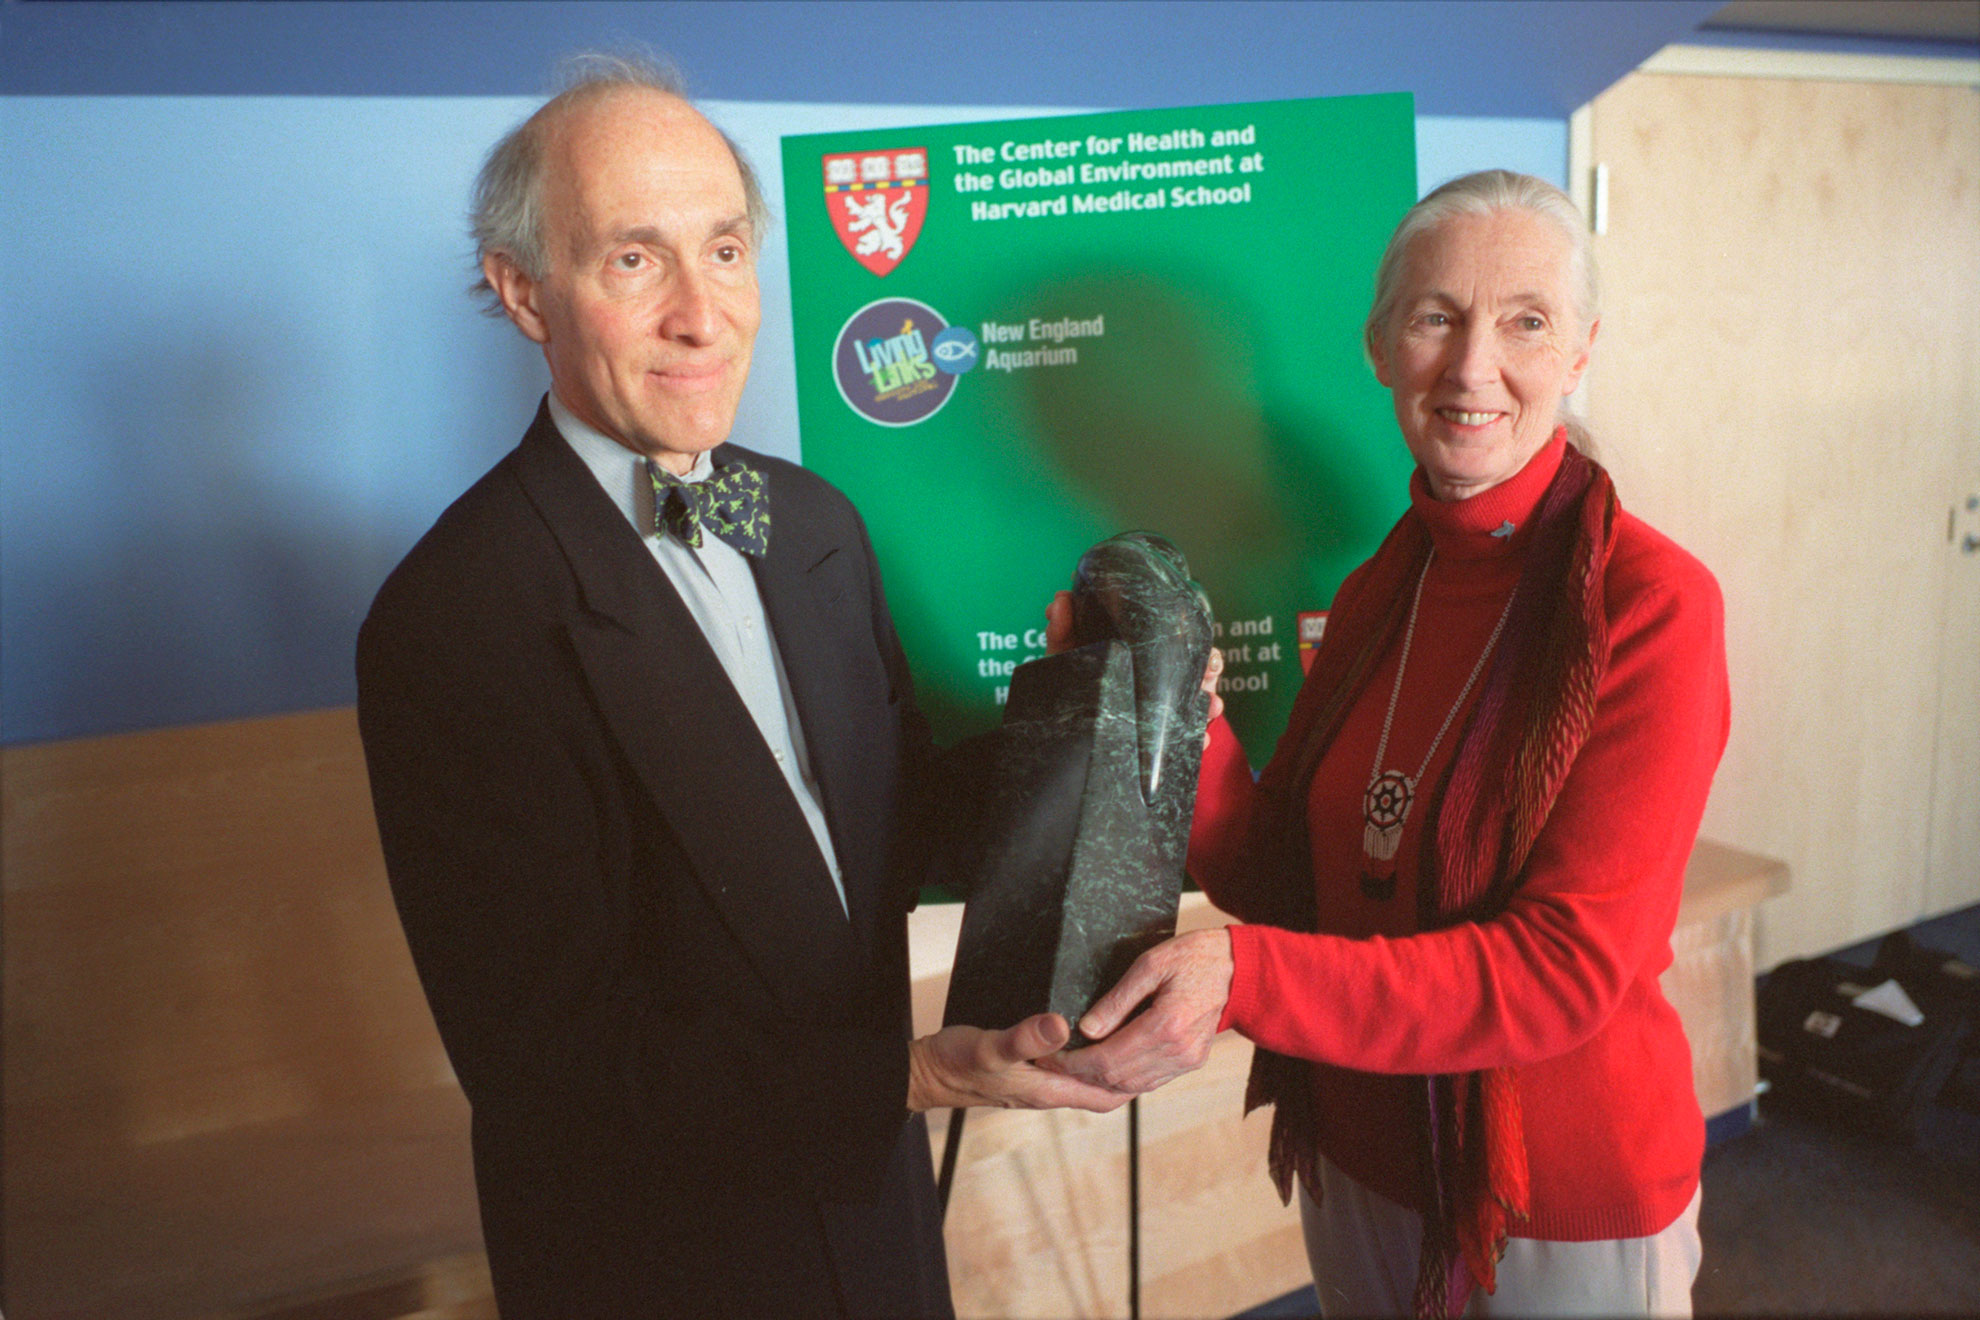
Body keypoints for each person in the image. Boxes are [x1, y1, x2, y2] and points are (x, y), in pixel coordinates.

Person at [356, 55, 1125, 1320]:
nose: (702, 317)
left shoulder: (811, 521)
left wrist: (1098, 712)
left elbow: (897, 824)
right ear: (524, 293)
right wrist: (918, 1078)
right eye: (634, 260)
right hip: (656, 1255)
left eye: (723, 252)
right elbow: (548, 1064)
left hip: (874, 1218)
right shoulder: (455, 615)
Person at [1055, 170, 1730, 1318]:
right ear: (1380, 347)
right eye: (1436, 318)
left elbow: (1562, 972)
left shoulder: (1652, 602)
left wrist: (1246, 975)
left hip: (1560, 1203)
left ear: (1581, 352)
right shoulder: (1381, 588)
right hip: (1355, 1160)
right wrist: (1177, 722)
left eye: (1526, 322)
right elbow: (1288, 877)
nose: (1473, 367)